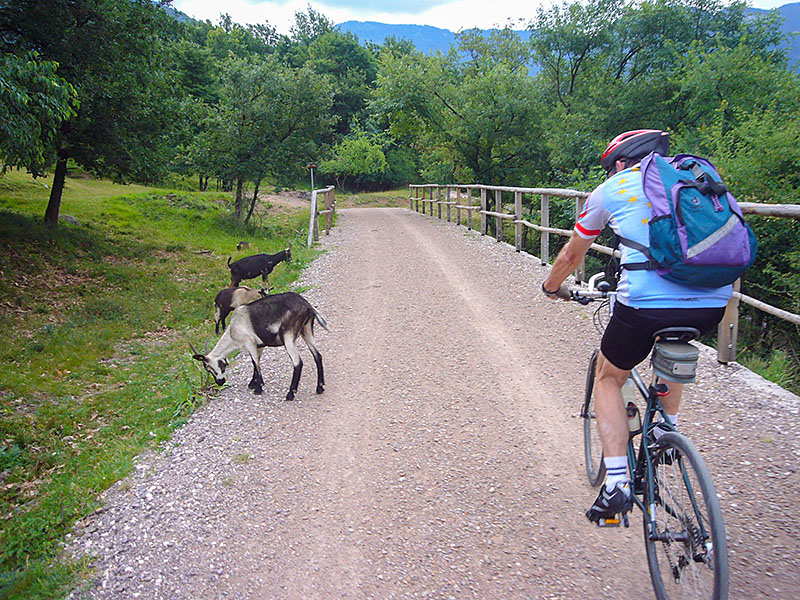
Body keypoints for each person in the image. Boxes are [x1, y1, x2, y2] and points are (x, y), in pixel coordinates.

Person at [541, 129, 732, 523]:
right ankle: (668, 431)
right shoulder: (695, 181)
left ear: (622, 162)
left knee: (608, 375)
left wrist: (551, 286)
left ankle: (616, 486)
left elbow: (572, 252)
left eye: (611, 166)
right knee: (675, 346)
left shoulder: (612, 189)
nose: (611, 173)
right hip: (715, 301)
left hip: (644, 305)